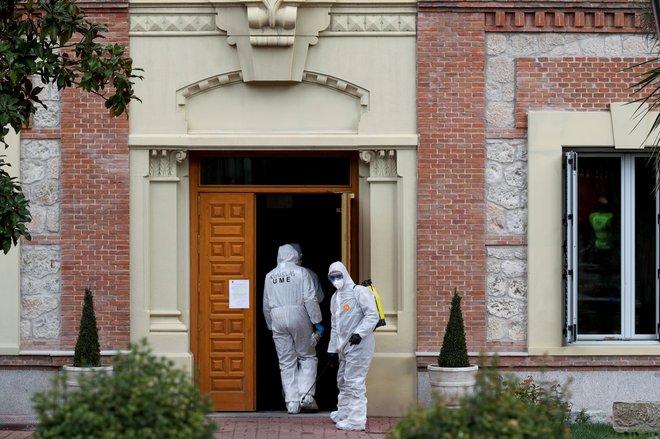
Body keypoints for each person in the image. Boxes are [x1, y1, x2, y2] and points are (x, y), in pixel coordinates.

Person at [263, 244, 324, 414]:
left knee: (286, 361)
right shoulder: (302, 272)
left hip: (277, 317)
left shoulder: (269, 276)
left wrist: (270, 325)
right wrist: (317, 322)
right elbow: (311, 299)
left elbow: (266, 304)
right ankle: (306, 396)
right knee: (307, 356)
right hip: (299, 314)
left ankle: (292, 402)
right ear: (295, 255)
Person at [326, 261, 379, 431]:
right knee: (342, 380)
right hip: (343, 347)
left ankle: (356, 420)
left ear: (345, 274)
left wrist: (360, 333)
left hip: (360, 345)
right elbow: (335, 326)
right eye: (332, 277)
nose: (336, 279)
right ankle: (344, 413)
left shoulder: (359, 292)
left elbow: (372, 315)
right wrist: (332, 349)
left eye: (338, 276)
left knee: (354, 381)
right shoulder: (335, 298)